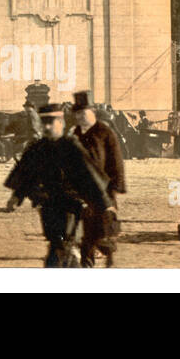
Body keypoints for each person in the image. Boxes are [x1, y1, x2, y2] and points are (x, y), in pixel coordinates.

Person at [4, 104, 111, 267]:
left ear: (60, 123)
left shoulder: (72, 146)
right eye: (43, 122)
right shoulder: (37, 147)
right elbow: (26, 174)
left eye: (51, 122)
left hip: (71, 202)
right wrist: (16, 196)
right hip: (48, 204)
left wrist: (104, 203)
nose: (46, 126)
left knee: (64, 244)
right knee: (55, 242)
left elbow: (90, 177)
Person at [71, 91, 127, 267]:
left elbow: (116, 159)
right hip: (83, 189)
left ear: (92, 112)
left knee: (105, 226)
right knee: (86, 226)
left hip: (104, 187)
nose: (80, 117)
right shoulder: (75, 134)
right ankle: (87, 262)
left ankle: (108, 257)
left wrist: (117, 184)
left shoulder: (105, 132)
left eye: (83, 113)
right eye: (77, 114)